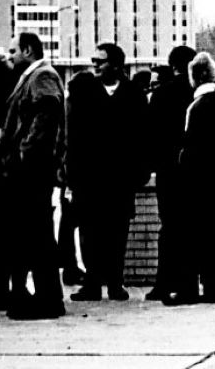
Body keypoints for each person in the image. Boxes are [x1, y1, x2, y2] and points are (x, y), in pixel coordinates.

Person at [66, 43, 150, 302]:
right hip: (88, 177)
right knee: (89, 232)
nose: (95, 65)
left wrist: (140, 173)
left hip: (120, 179)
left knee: (117, 232)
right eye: (94, 60)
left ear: (115, 65)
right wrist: (71, 172)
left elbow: (142, 136)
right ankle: (92, 282)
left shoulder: (134, 93)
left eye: (100, 61)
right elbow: (74, 134)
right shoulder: (84, 91)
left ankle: (115, 282)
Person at [164, 52, 215, 305]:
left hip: (197, 183)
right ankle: (214, 288)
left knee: (190, 236)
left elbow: (189, 149)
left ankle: (188, 288)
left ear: (194, 77)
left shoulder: (195, 108)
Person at [0, 32, 66, 319]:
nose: (10, 56)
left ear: (27, 50)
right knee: (36, 234)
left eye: (13, 51)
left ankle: (48, 299)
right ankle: (46, 297)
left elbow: (46, 114)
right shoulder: (36, 76)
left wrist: (25, 151)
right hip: (30, 169)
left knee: (36, 235)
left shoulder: (41, 77)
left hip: (31, 171)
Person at [145, 46, 197, 300]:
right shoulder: (198, 95)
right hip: (194, 170)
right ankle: (190, 279)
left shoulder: (161, 95)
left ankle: (164, 282)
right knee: (192, 227)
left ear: (172, 65)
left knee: (169, 227)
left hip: (168, 169)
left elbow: (151, 135)